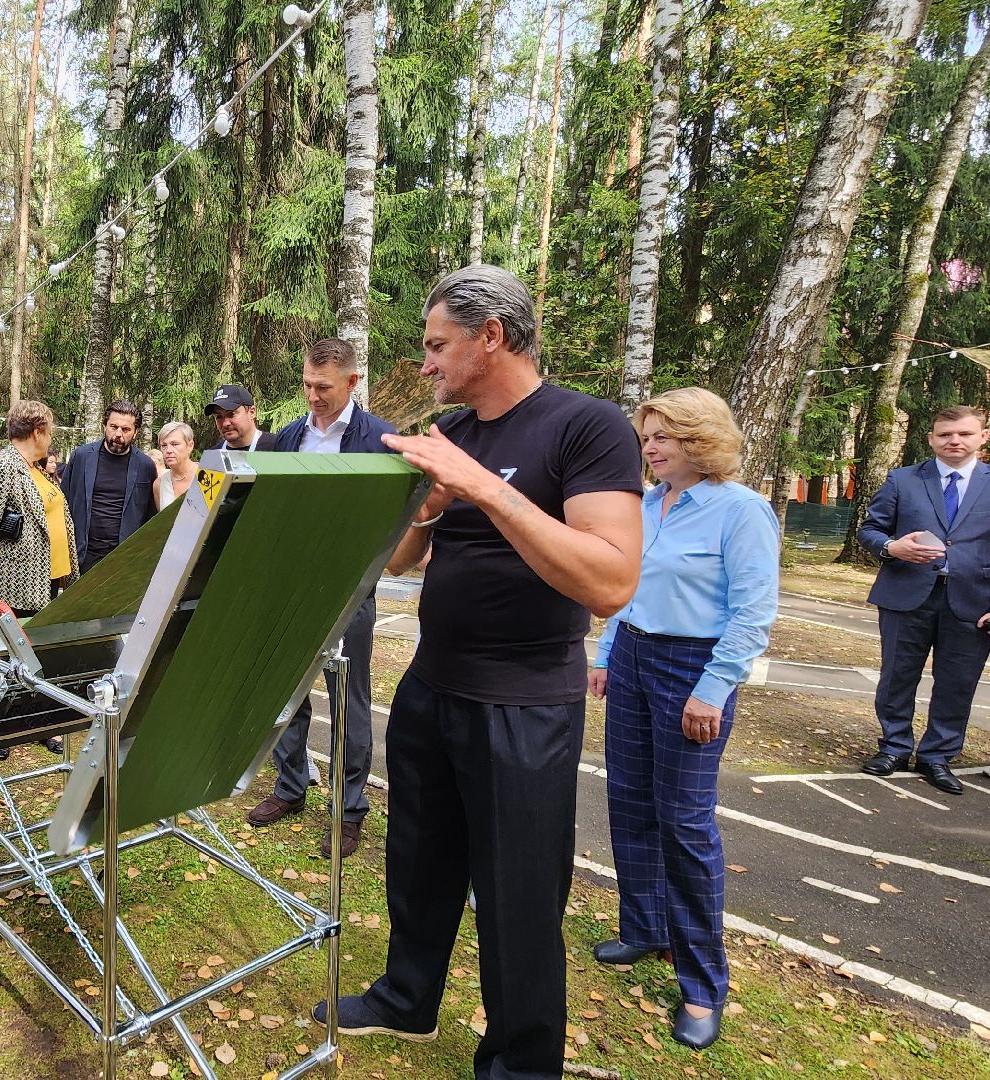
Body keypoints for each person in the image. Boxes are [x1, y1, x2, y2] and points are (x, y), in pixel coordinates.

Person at [316, 265, 643, 1080]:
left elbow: (610, 579)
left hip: (525, 703)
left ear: (490, 336)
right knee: (418, 864)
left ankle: (522, 1061)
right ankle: (406, 1000)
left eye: (437, 345)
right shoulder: (452, 434)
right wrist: (425, 505)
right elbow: (399, 561)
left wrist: (485, 493)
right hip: (432, 687)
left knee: (519, 897)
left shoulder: (589, 427)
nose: (424, 364)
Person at [587, 388, 779, 1051]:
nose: (651, 446)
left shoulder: (742, 511)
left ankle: (702, 985)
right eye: (647, 435)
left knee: (686, 822)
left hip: (694, 670)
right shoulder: (645, 505)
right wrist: (609, 654)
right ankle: (646, 928)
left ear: (704, 439)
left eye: (665, 435)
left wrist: (715, 688)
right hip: (636, 656)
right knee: (630, 803)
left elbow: (753, 612)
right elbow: (626, 586)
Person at [248, 338, 398, 858]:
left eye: (324, 387)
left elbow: (393, 520)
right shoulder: (289, 438)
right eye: (308, 385)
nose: (313, 395)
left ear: (352, 383)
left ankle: (349, 808)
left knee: (349, 703)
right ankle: (291, 786)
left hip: (350, 591)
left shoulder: (381, 439)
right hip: (292, 589)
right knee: (286, 694)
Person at [854, 405, 990, 795]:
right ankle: (895, 746)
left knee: (957, 682)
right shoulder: (902, 479)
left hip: (974, 601)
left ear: (982, 437)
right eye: (945, 434)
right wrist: (890, 547)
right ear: (931, 438)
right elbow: (870, 529)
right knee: (897, 677)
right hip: (906, 595)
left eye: (964, 434)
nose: (955, 441)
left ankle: (937, 755)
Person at [0, 400, 79, 619]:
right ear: (37, 432)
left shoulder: (35, 467)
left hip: (47, 577)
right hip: (19, 583)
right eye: (49, 433)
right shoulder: (4, 467)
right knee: (23, 650)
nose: (50, 440)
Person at [60, 400, 158, 572]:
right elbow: (64, 502)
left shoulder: (145, 466)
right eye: (113, 427)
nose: (118, 434)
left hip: (124, 559)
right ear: (104, 426)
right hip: (82, 555)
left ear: (135, 433)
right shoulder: (81, 457)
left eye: (126, 429)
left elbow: (150, 517)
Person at [205, 384, 274, 452]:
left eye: (231, 414)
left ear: (251, 412)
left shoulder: (278, 447)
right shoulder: (213, 457)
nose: (225, 423)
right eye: (219, 417)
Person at [153, 421, 199, 509]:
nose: (168, 450)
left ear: (190, 445)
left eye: (175, 444)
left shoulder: (207, 475)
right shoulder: (159, 485)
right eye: (164, 445)